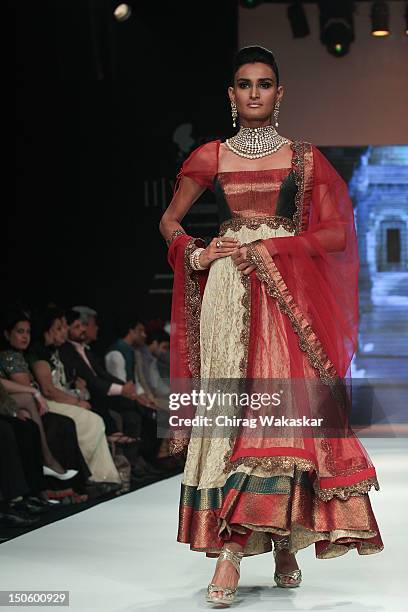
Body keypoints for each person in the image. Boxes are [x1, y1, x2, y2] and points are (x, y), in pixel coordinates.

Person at [159, 45, 383, 606]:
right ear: (231, 95)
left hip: (288, 296)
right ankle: (234, 551)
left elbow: (337, 234)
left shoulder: (305, 159)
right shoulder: (211, 156)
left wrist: (278, 244)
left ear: (279, 94)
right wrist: (195, 253)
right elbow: (170, 221)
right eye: (243, 84)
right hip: (230, 293)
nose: (254, 93)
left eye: (264, 84)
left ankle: (274, 544)